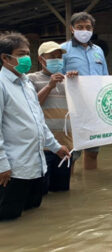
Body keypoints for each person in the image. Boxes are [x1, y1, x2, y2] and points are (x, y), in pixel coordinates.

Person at [0, 32, 70, 220]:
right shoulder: (1, 85)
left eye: (27, 53)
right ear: (5, 58)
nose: (26, 58)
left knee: (33, 215)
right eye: (21, 54)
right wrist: (2, 164)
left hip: (36, 167)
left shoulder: (26, 83)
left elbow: (38, 121)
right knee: (10, 219)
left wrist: (56, 147)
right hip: (13, 170)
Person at [27, 42, 79, 193]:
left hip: (65, 144)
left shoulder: (67, 81)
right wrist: (49, 86)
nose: (57, 59)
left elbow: (81, 107)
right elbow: (29, 106)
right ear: (41, 59)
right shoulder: (31, 79)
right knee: (41, 192)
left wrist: (76, 83)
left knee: (62, 192)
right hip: (43, 145)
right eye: (52, 56)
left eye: (59, 56)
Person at [61, 11, 108, 170]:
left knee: (93, 150)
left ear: (92, 29)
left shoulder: (98, 51)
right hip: (73, 109)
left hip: (94, 108)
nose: (84, 30)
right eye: (80, 27)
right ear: (72, 29)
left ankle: (90, 186)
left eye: (88, 27)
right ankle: (69, 184)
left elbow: (105, 78)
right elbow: (56, 77)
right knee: (72, 152)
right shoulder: (63, 50)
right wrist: (67, 76)